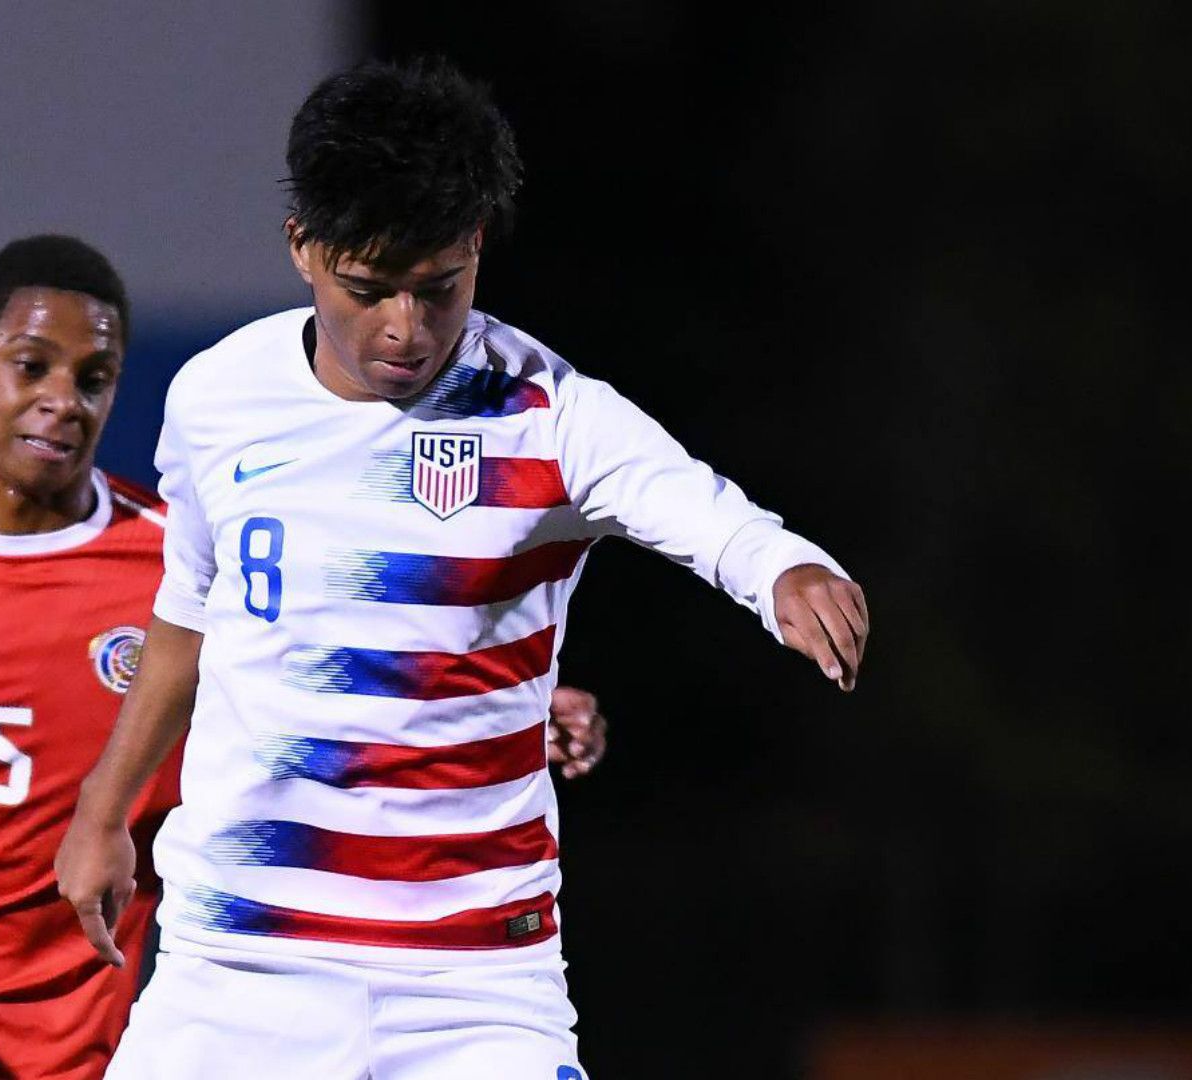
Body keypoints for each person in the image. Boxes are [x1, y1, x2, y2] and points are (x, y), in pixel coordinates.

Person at [55, 58, 869, 1079]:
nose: (404, 327)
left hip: (472, 982)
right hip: (240, 964)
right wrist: (102, 815)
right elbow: (189, 621)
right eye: (369, 289)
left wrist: (785, 568)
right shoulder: (217, 397)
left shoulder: (548, 415)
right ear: (302, 248)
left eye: (436, 288)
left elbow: (699, 507)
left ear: (476, 248)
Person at [0, 234, 613, 1079]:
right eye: (33, 366)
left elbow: (356, 681)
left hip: (47, 1057)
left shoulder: (182, 566)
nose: (65, 398)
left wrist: (521, 708)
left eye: (96, 377)